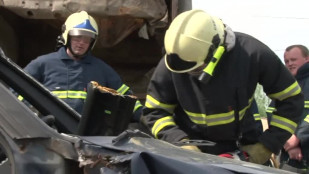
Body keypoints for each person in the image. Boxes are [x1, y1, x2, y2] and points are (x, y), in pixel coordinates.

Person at [141, 9, 304, 165]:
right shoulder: (173, 63)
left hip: (244, 149)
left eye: (197, 69)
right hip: (190, 154)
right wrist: (180, 142)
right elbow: (154, 112)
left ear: (216, 50)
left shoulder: (252, 54)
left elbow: (291, 100)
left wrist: (267, 145)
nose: (190, 74)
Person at [23, 11, 142, 121]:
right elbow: (17, 93)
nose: (81, 43)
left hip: (87, 137)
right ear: (67, 36)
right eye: (77, 37)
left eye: (87, 40)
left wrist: (144, 118)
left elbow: (127, 99)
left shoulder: (101, 69)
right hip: (50, 132)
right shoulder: (43, 64)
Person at [268, 45, 309, 173]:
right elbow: (271, 113)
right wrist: (287, 140)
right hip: (289, 156)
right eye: (286, 61)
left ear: (307, 58)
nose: (289, 64)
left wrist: (297, 138)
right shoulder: (286, 85)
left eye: (293, 60)